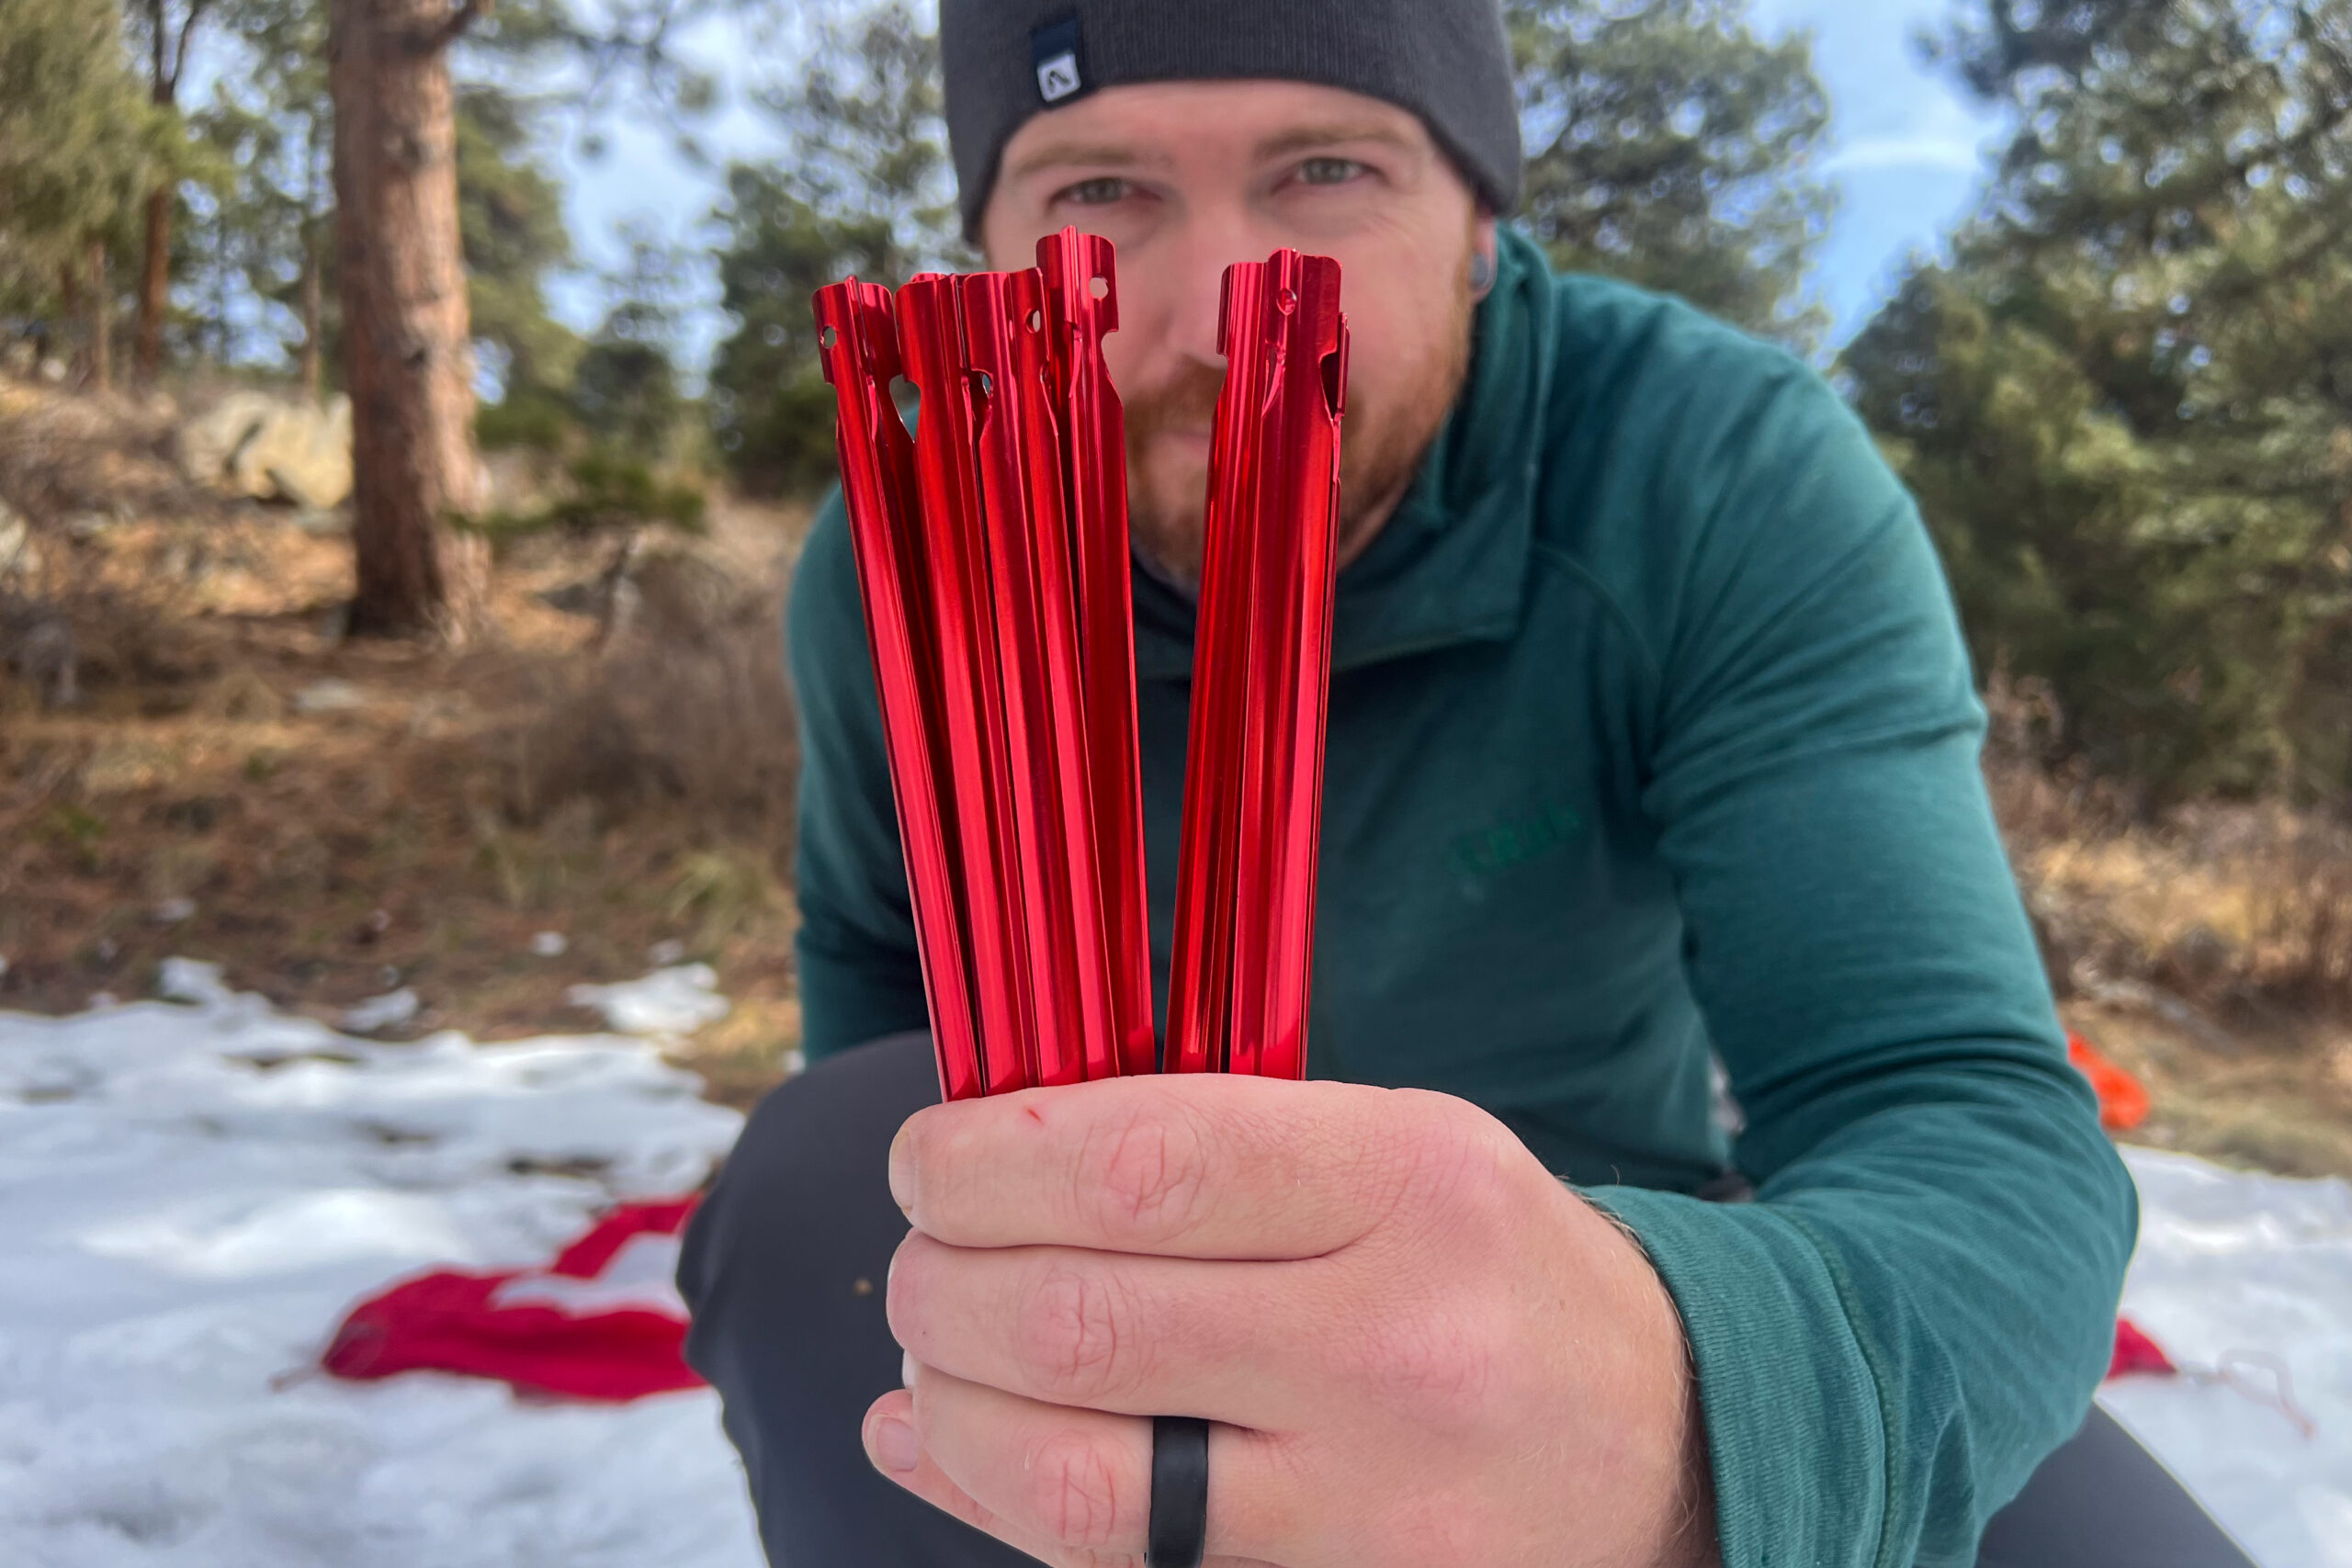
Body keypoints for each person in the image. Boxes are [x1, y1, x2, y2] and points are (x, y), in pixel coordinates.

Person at [679, 4, 2255, 1565]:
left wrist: (1696, 1414)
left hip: (1635, 1258)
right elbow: (885, 1024)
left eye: (1326, 171)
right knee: (819, 1177)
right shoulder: (917, 565)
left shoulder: (1710, 471)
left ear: (1481, 227)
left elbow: (1957, 1107)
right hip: (1108, 1278)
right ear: (992, 248)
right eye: (1101, 192)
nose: (1229, 312)